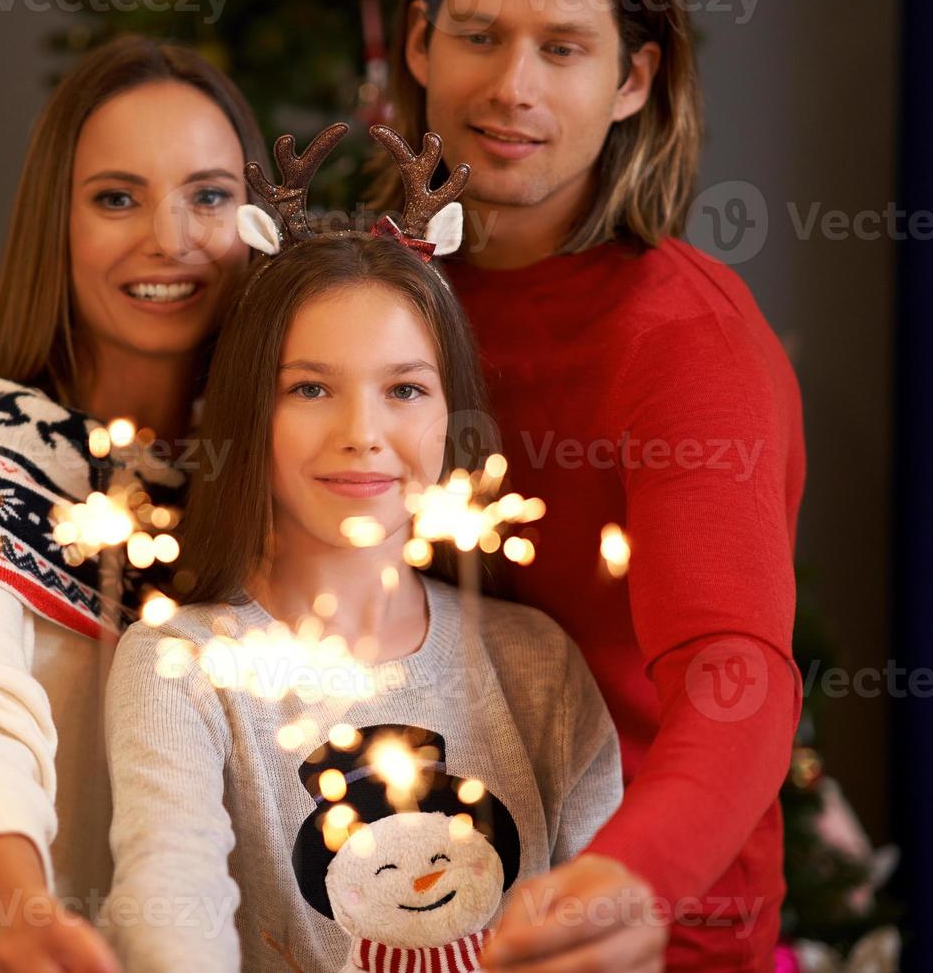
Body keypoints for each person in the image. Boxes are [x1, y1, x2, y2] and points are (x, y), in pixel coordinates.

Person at [104, 126, 623, 973]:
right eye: (310, 388)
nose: (362, 436)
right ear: (249, 413)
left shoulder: (538, 666)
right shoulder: (182, 671)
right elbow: (173, 916)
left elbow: (599, 938)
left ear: (450, 414)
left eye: (405, 389)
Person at [370, 0, 806, 970]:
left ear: (633, 81)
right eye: (478, 36)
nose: (511, 88)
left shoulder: (685, 346)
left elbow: (733, 669)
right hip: (388, 889)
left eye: (562, 49)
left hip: (636, 925)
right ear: (417, 44)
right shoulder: (366, 292)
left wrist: (635, 874)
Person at [0, 35, 265, 973]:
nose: (169, 238)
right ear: (59, 225)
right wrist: (18, 907)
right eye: (117, 198)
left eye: (209, 195)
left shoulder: (275, 483)